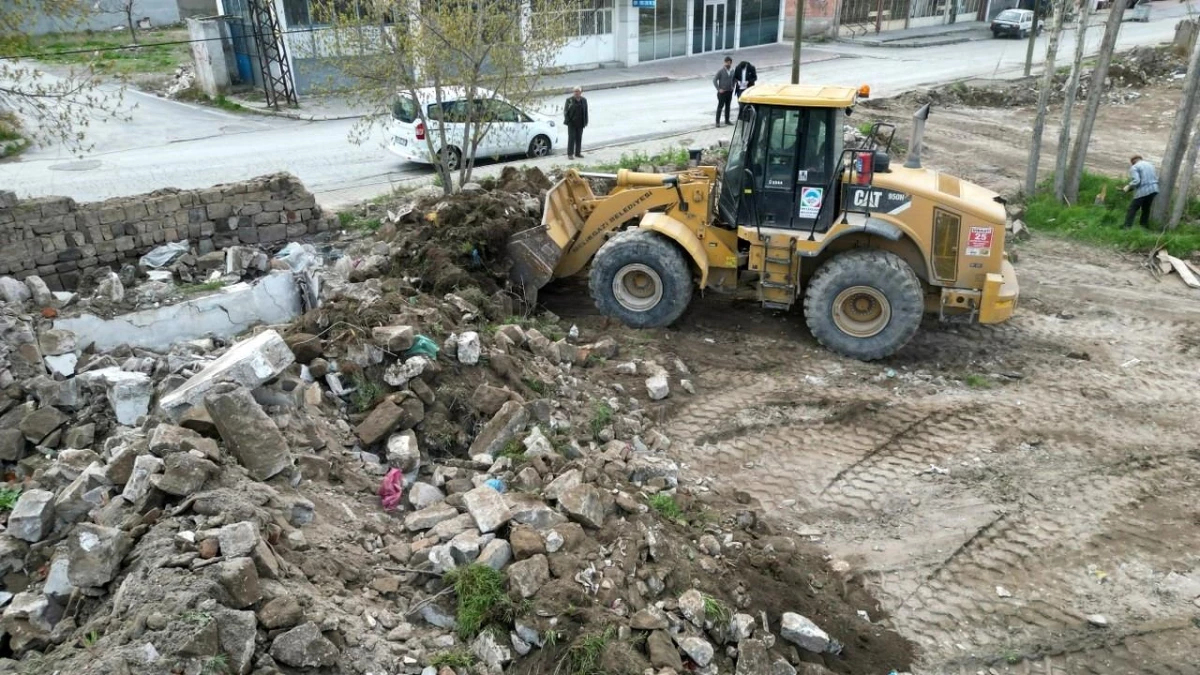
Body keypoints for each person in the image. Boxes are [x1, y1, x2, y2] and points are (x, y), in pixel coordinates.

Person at [1122, 154, 1159, 229]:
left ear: (1133, 161)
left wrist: (1128, 186)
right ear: (1140, 159)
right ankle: (1143, 226)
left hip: (1144, 190)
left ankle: (1127, 226)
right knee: (1146, 209)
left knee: (1132, 208)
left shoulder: (1134, 167)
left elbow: (1136, 181)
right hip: (1154, 189)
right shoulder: (1150, 164)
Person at [563, 86, 588, 160]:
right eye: (575, 91)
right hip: (572, 123)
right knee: (571, 138)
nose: (576, 93)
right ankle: (570, 154)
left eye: (577, 91)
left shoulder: (584, 100)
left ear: (580, 92)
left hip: (580, 123)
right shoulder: (569, 100)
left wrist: (586, 121)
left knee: (579, 138)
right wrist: (568, 121)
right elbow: (565, 112)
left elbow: (585, 111)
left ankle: (578, 153)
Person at [713, 56, 734, 127]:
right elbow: (714, 80)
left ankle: (727, 120)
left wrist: (733, 86)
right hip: (722, 92)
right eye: (727, 63)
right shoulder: (721, 71)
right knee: (720, 107)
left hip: (729, 91)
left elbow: (734, 79)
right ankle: (717, 122)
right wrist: (719, 89)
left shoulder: (732, 71)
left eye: (730, 63)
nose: (728, 64)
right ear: (724, 63)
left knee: (728, 106)